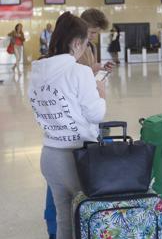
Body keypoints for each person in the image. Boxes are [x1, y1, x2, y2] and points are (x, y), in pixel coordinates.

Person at [28, 12, 106, 239]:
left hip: (50, 155)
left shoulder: (37, 71)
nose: (84, 49)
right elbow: (96, 114)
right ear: (75, 42)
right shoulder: (79, 71)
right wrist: (100, 92)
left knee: (64, 219)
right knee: (87, 218)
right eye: (84, 43)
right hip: (76, 157)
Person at [79, 8, 114, 74]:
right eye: (92, 32)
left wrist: (102, 68)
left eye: (96, 33)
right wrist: (91, 70)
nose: (94, 36)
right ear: (81, 26)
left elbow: (93, 74)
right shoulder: (71, 47)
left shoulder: (92, 46)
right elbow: (66, 75)